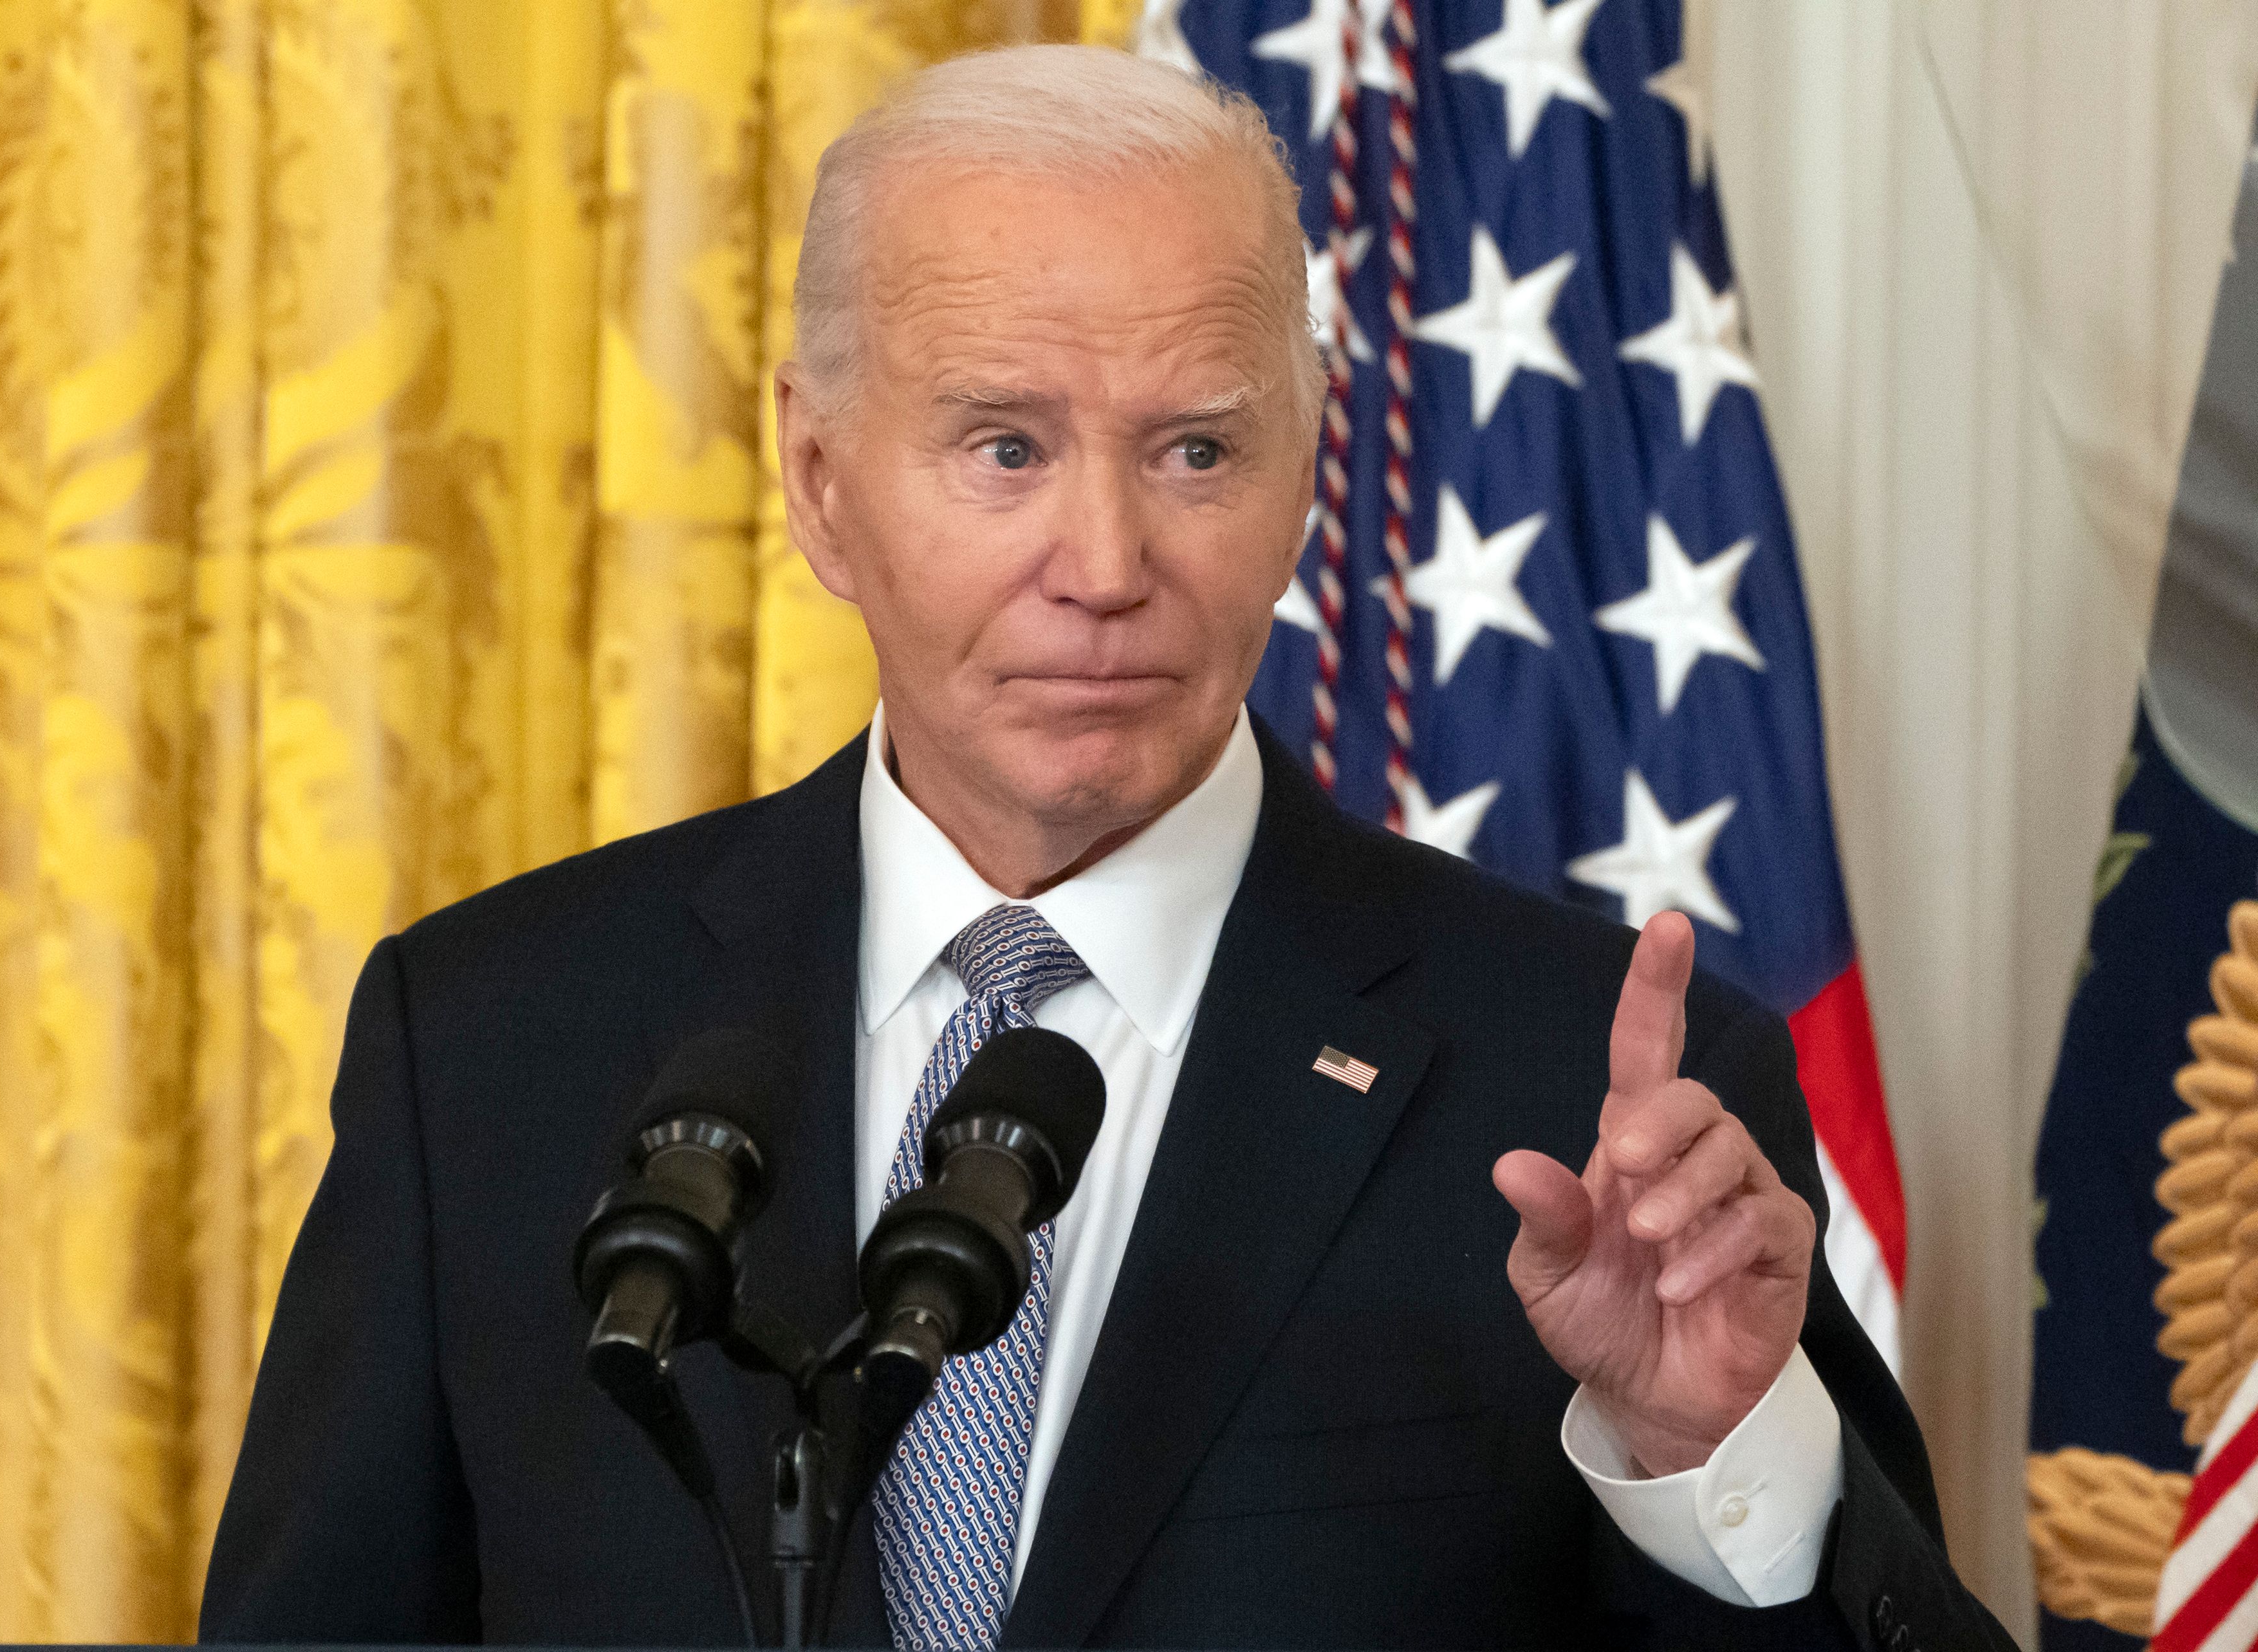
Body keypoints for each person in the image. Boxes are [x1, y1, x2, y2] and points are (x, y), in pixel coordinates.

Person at [199, 44, 2012, 1651]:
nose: (1106, 563)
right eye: (1004, 447)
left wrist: (1708, 1457)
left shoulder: (1599, 1092)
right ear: (822, 483)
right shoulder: (495, 1043)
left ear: (1306, 476)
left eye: (1198, 453)